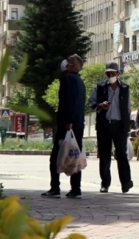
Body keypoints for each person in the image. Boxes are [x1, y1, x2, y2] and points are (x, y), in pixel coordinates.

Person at [42, 54, 86, 199]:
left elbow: (70, 101)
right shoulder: (80, 81)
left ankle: (55, 188)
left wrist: (68, 121)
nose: (64, 62)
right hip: (78, 124)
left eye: (68, 61)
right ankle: (76, 189)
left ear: (72, 66)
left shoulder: (67, 79)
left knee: (56, 156)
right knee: (75, 155)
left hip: (68, 124)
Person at [88, 61, 134, 194]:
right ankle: (105, 184)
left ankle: (126, 182)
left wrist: (127, 127)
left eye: (112, 74)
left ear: (118, 74)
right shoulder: (100, 87)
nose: (110, 76)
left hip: (119, 126)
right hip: (104, 125)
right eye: (108, 74)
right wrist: (100, 105)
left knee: (122, 155)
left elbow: (127, 108)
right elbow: (91, 103)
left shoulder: (124, 88)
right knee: (104, 156)